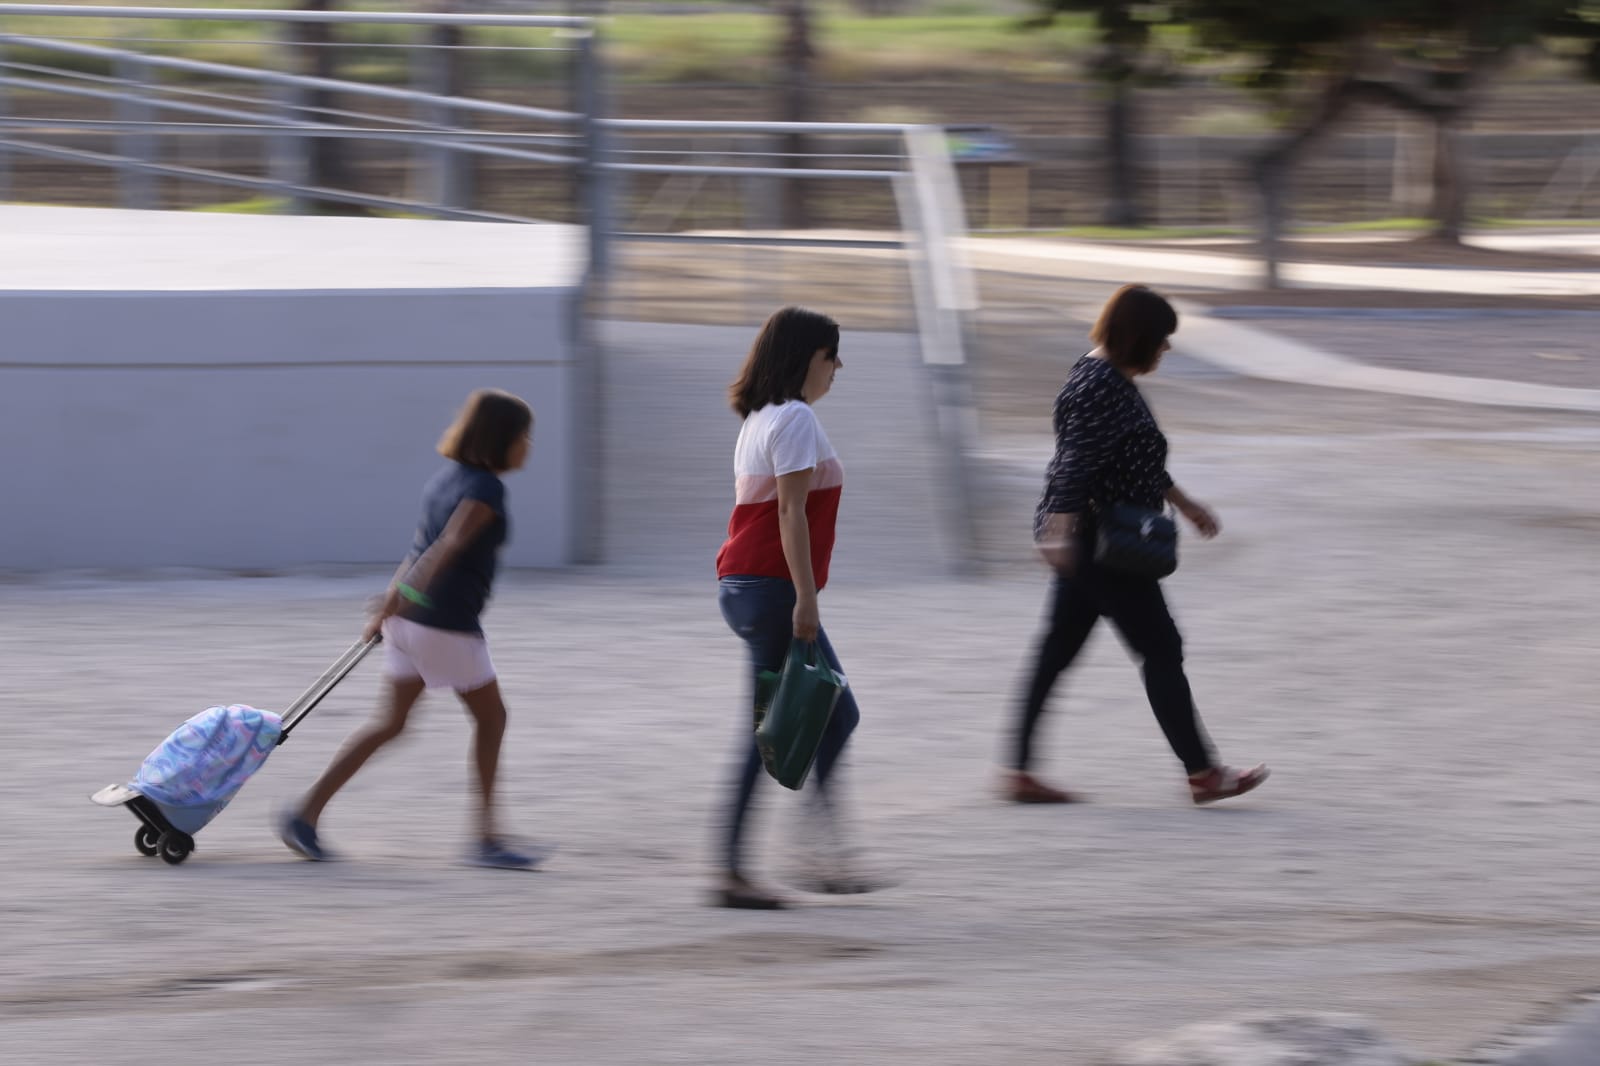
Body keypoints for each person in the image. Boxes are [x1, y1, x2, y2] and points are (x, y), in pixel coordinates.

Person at [1006, 284, 1268, 806]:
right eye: (1162, 340)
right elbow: (1074, 465)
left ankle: (1019, 772)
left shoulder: (1101, 373)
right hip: (1105, 547)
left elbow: (1131, 457)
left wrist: (1185, 503)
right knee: (1161, 648)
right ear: (1139, 337)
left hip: (1091, 543)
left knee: (1056, 650)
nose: (1166, 350)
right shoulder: (1100, 385)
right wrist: (1057, 533)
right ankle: (1202, 773)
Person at [279, 388, 542, 869]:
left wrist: (390, 605)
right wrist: (399, 598)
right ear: (502, 438)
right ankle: (486, 839)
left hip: (410, 621)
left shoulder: (446, 479)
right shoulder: (486, 489)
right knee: (492, 719)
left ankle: (305, 814)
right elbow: (447, 546)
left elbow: (418, 547)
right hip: (445, 624)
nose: (529, 445)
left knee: (390, 723)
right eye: (525, 436)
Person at [712, 306, 876, 909]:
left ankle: (817, 852)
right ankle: (734, 870)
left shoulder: (760, 418)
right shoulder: (797, 419)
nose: (837, 367)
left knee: (837, 715)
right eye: (831, 354)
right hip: (773, 587)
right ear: (807, 357)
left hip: (746, 584)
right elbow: (789, 515)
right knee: (768, 732)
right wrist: (806, 597)